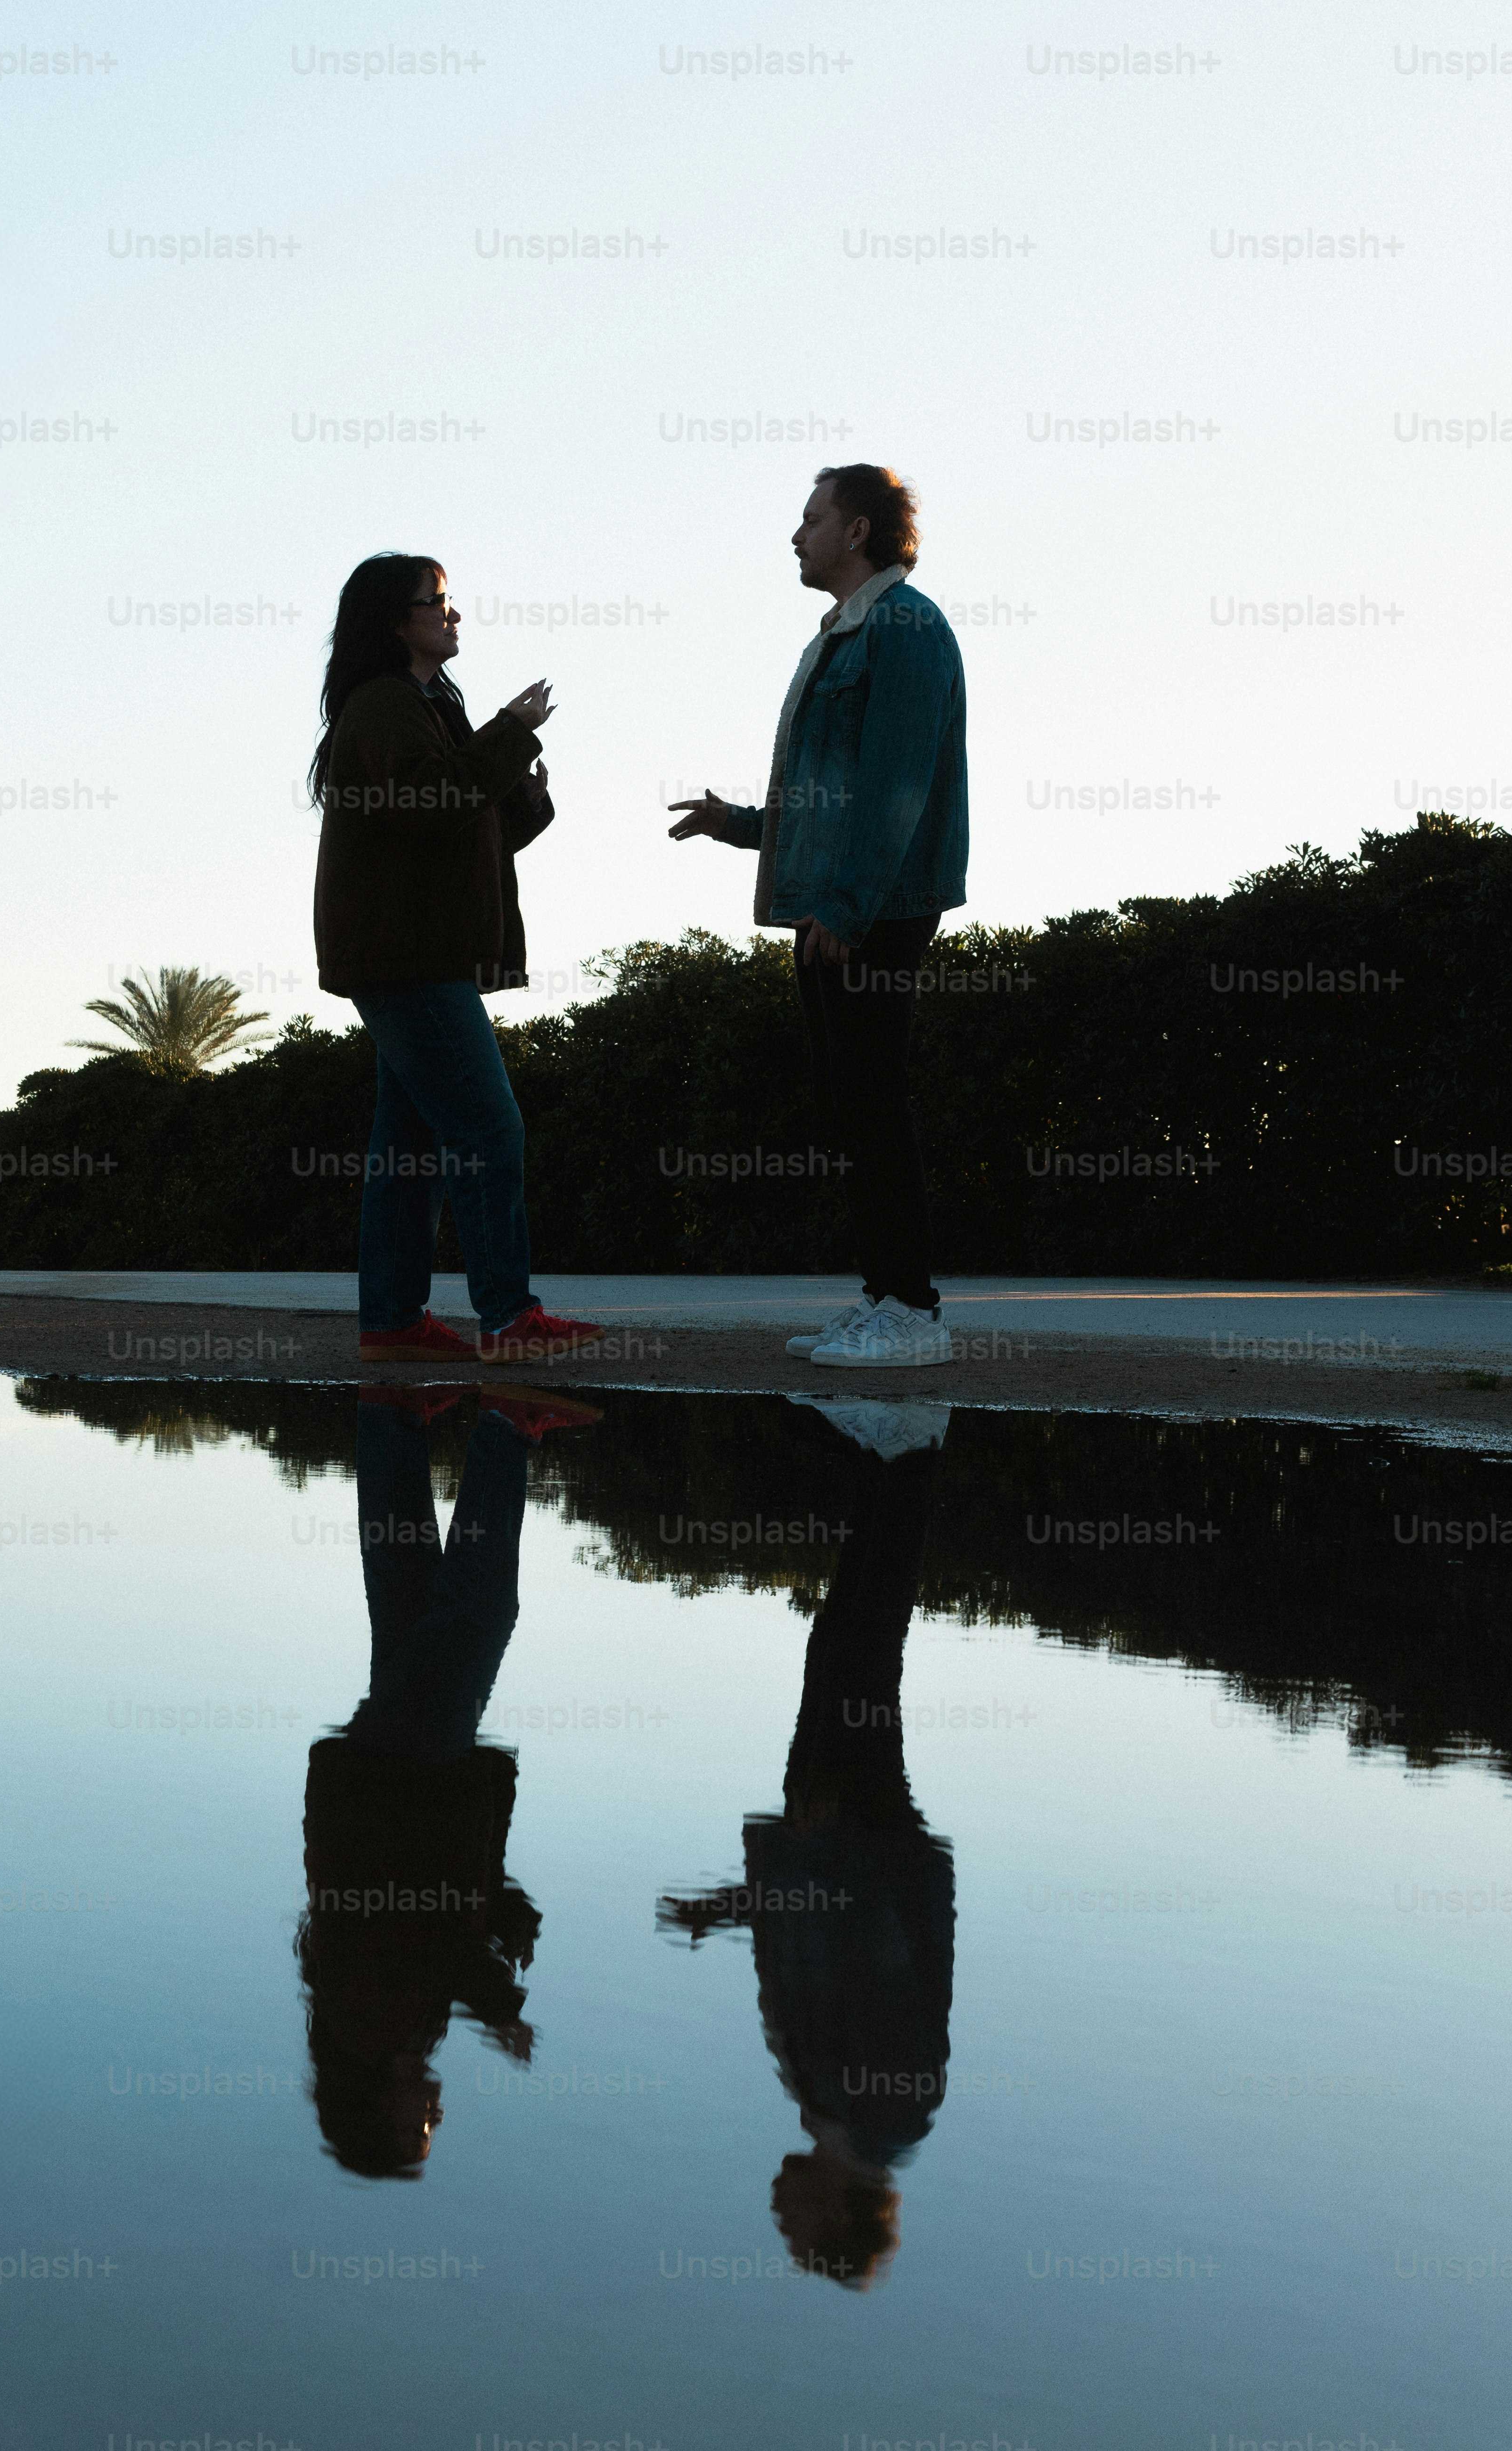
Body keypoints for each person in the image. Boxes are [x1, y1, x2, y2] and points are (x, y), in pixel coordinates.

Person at [667, 467, 969, 1370]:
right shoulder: (845, 632)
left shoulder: (905, 626)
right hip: (835, 904)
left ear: (859, 530)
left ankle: (912, 1313)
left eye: (811, 519)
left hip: (874, 905)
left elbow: (897, 783)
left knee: (875, 1102)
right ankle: (883, 1298)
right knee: (852, 1104)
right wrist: (740, 827)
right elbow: (826, 801)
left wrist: (844, 903)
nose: (794, 536)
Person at [659, 1395, 956, 2287]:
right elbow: (878, 1953)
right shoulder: (887, 2115)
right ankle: (913, 1440)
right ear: (835, 2220)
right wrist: (827, 1848)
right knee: (863, 1649)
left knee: (844, 1644)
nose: (777, 2214)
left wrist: (734, 1907)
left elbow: (812, 1952)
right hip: (856, 1831)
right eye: (794, 2234)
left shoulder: (829, 2110)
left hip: (826, 1835)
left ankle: (891, 1447)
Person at [295, 1379, 600, 2176]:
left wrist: (495, 2005)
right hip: (385, 1770)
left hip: (402, 1770)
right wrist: (504, 1915)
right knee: (407, 1584)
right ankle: (389, 1414)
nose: (434, 2114)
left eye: (418, 2130)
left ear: (374, 2111)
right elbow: (428, 1898)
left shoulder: (365, 2023)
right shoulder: (374, 2024)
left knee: (479, 1610)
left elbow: (420, 1924)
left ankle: (504, 1422)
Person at [313, 552, 609, 1366]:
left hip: (408, 951)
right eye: (435, 603)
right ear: (393, 621)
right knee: (487, 1127)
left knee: (408, 1150)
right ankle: (508, 1319)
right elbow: (430, 805)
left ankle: (393, 1321)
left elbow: (463, 829)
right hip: (406, 958)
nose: (452, 615)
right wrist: (510, 734)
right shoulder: (382, 705)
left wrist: (525, 790)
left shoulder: (428, 703)